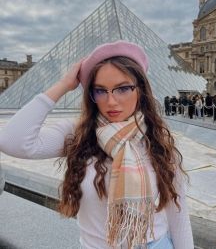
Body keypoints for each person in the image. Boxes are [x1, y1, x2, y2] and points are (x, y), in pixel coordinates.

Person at [0, 41, 194, 249]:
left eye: (122, 89)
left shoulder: (158, 141)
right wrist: (64, 85)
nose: (111, 101)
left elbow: (178, 215)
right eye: (100, 91)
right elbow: (12, 141)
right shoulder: (77, 134)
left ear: (140, 89)